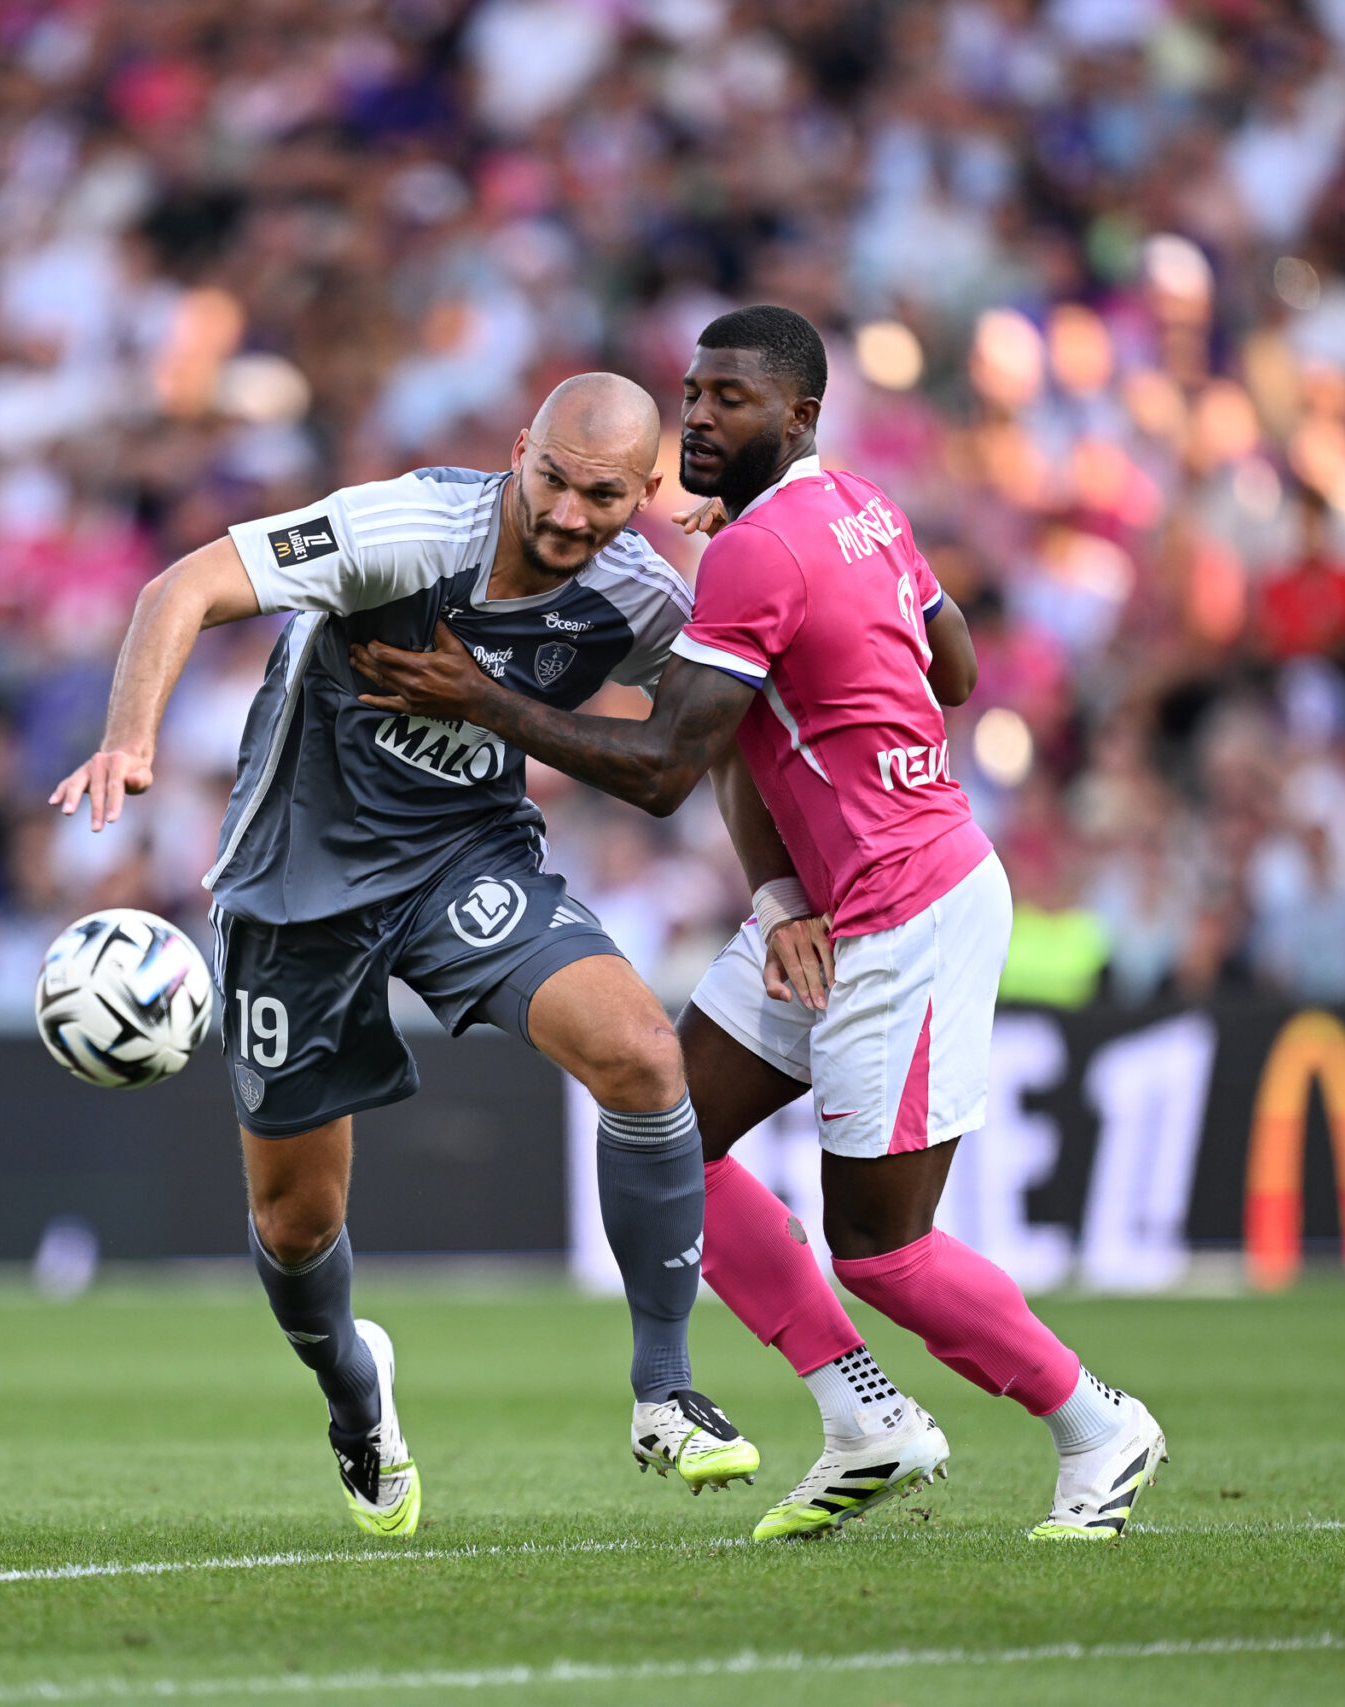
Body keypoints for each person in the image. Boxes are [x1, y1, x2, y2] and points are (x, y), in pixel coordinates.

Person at [354, 307, 1167, 1543]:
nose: (697, 416)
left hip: (909, 910)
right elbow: (952, 670)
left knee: (884, 1255)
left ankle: (1100, 1425)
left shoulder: (757, 554)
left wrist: (486, 696)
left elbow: (669, 764)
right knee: (670, 1132)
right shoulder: (862, 507)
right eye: (693, 392)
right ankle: (864, 1418)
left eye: (730, 400)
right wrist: (792, 870)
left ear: (797, 416)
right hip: (830, 905)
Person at [51, 374, 759, 1538]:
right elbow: (183, 586)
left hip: (461, 862)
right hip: (295, 885)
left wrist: (781, 889)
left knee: (642, 1056)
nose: (570, 516)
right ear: (518, 452)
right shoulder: (404, 530)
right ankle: (353, 1394)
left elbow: (716, 732)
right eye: (552, 482)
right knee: (292, 1221)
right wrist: (129, 741)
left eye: (602, 497)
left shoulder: (639, 598)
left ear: (647, 496)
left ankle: (665, 1390)